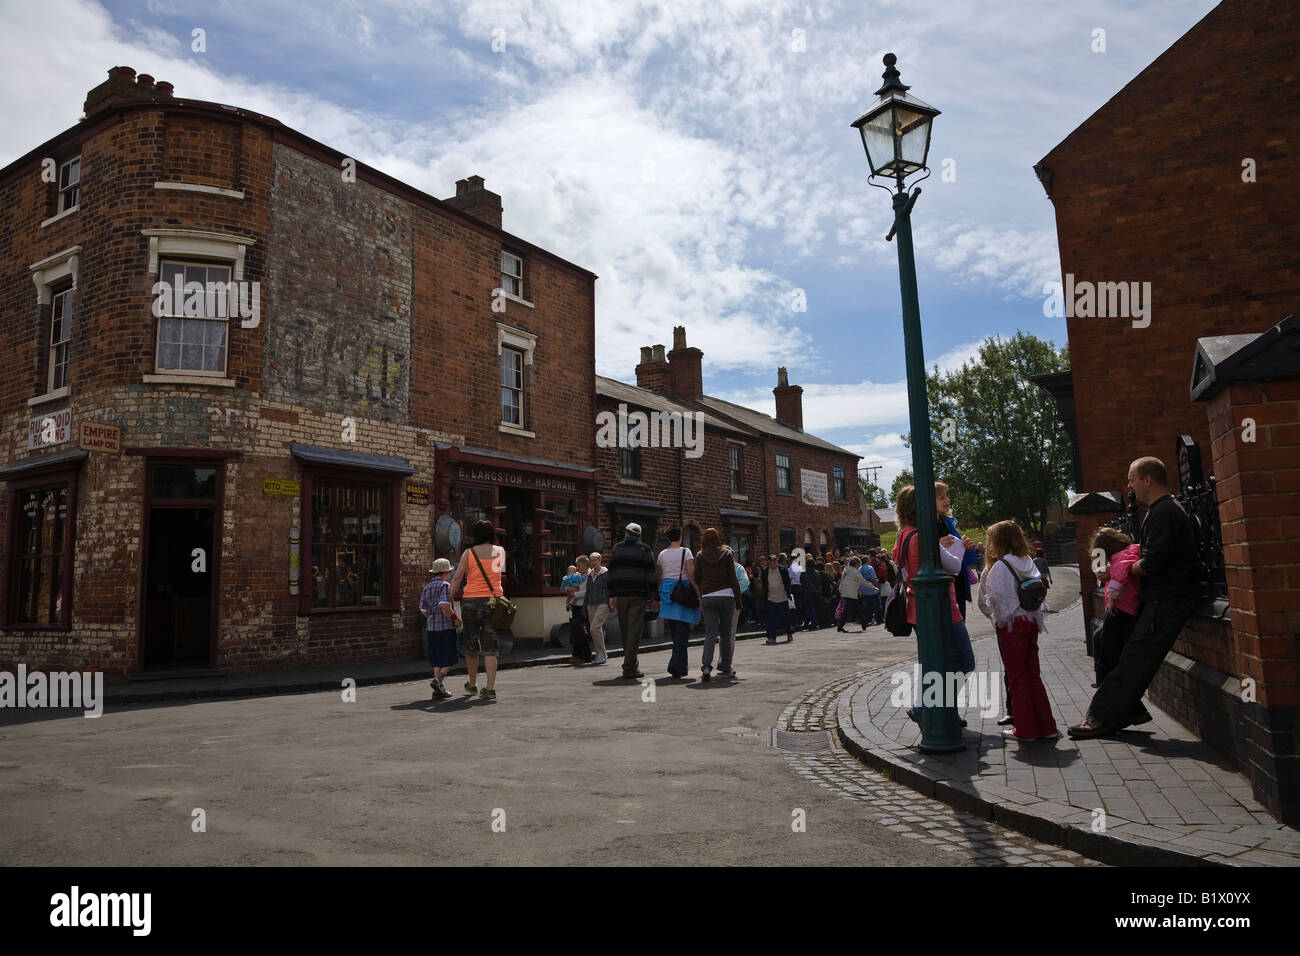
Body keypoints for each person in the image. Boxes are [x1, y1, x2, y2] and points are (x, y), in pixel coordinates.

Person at [1069, 456, 1201, 739]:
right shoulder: (1160, 510)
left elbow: (1153, 562)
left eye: (1132, 479)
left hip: (1169, 599)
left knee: (1134, 659)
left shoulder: (1164, 512)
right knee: (1124, 652)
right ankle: (1127, 710)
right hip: (1163, 598)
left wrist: (1123, 569)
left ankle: (1103, 717)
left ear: (1147, 480)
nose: (1129, 486)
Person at [893, 485, 974, 723]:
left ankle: (937, 709)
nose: (946, 500)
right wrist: (955, 548)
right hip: (941, 606)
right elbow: (954, 567)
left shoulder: (903, 534)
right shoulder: (923, 536)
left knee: (934, 662)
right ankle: (927, 706)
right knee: (964, 661)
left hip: (918, 607)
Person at [978, 520, 1058, 741]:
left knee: (1017, 678)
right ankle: (1047, 726)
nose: (989, 546)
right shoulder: (1026, 561)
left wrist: (998, 619)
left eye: (991, 541)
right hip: (1032, 621)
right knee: (1033, 675)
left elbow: (997, 600)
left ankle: (1025, 730)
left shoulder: (1000, 566)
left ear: (1001, 542)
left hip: (1013, 626)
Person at [446, 519, 506, 701]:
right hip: (494, 601)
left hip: (471, 601)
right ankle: (489, 688)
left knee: (471, 644)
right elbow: (498, 574)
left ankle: (472, 684)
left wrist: (447, 597)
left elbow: (457, 578)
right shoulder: (500, 551)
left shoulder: (469, 553)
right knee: (491, 646)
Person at [1090, 528, 1141, 687]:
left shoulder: (1120, 558)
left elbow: (1120, 574)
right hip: (1123, 606)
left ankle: (1108, 675)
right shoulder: (1122, 556)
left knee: (1107, 640)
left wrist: (1112, 599)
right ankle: (1101, 676)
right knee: (1098, 636)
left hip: (1121, 607)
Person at [608, 522, 659, 679]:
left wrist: (611, 595)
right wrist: (654, 597)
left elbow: (612, 572)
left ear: (626, 533)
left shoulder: (617, 549)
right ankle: (629, 666)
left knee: (624, 630)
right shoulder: (644, 549)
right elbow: (651, 574)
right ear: (639, 536)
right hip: (638, 594)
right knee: (634, 630)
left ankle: (629, 663)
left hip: (621, 594)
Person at [693, 528, 743, 681]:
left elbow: (696, 578)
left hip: (708, 597)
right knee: (726, 634)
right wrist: (738, 601)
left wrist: (704, 588)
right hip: (727, 596)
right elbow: (733, 578)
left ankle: (706, 667)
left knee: (710, 634)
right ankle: (727, 667)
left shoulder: (700, 556)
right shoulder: (727, 554)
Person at [656, 528, 701, 679]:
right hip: (682, 591)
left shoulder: (662, 554)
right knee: (683, 631)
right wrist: (697, 591)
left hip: (667, 591)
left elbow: (660, 576)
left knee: (676, 632)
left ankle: (682, 667)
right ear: (680, 537)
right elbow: (690, 573)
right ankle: (675, 665)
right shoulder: (686, 552)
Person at [937, 482, 978, 621]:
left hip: (957, 589)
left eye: (946, 497)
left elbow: (967, 561)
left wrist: (969, 548)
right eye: (942, 498)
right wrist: (936, 547)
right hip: (941, 593)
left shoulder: (948, 523)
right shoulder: (923, 527)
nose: (948, 500)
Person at [419, 558, 459, 699]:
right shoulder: (445, 585)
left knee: (437, 659)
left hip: (432, 629)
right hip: (445, 628)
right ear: (446, 573)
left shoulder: (426, 588)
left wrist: (432, 616)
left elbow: (423, 610)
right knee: (451, 657)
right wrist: (455, 619)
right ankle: (438, 679)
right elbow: (444, 605)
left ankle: (437, 691)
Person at [754, 553, 794, 644]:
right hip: (771, 598)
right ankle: (771, 637)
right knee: (771, 618)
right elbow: (765, 585)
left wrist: (788, 594)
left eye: (775, 560)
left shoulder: (783, 570)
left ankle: (789, 633)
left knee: (785, 618)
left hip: (782, 597)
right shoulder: (765, 572)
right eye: (772, 561)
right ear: (769, 562)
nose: (774, 562)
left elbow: (787, 582)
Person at [585, 551, 612, 665]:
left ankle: (602, 653)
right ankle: (600, 653)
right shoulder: (590, 575)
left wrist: (611, 603)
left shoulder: (605, 573)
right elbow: (588, 591)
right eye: (591, 560)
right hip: (591, 604)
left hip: (603, 603)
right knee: (596, 629)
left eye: (595, 560)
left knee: (594, 628)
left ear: (600, 560)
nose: (593, 562)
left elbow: (609, 589)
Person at [564, 555, 592, 664]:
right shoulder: (578, 575)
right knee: (576, 631)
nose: (577, 567)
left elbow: (586, 592)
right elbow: (567, 586)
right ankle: (576, 655)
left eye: (579, 565)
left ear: (585, 565)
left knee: (583, 631)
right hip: (576, 606)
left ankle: (585, 655)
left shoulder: (590, 575)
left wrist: (574, 593)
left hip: (584, 607)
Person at [837, 556, 868, 632]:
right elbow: (863, 581)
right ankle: (840, 627)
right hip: (851, 593)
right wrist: (873, 587)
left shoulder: (845, 571)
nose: (859, 567)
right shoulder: (854, 572)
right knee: (847, 611)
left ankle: (864, 623)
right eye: (858, 565)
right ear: (856, 564)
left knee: (856, 609)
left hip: (847, 592)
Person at [858, 558, 882, 625]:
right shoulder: (870, 568)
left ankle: (868, 619)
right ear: (866, 560)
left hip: (863, 589)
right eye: (869, 559)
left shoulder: (859, 568)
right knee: (877, 605)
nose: (870, 560)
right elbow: (874, 579)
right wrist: (876, 587)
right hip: (871, 589)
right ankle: (879, 619)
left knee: (867, 606)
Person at [800, 559, 823, 629]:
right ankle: (806, 623)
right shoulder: (817, 573)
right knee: (810, 608)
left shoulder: (803, 573)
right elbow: (819, 582)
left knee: (810, 608)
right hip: (816, 592)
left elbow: (801, 581)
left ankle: (814, 623)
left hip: (807, 591)